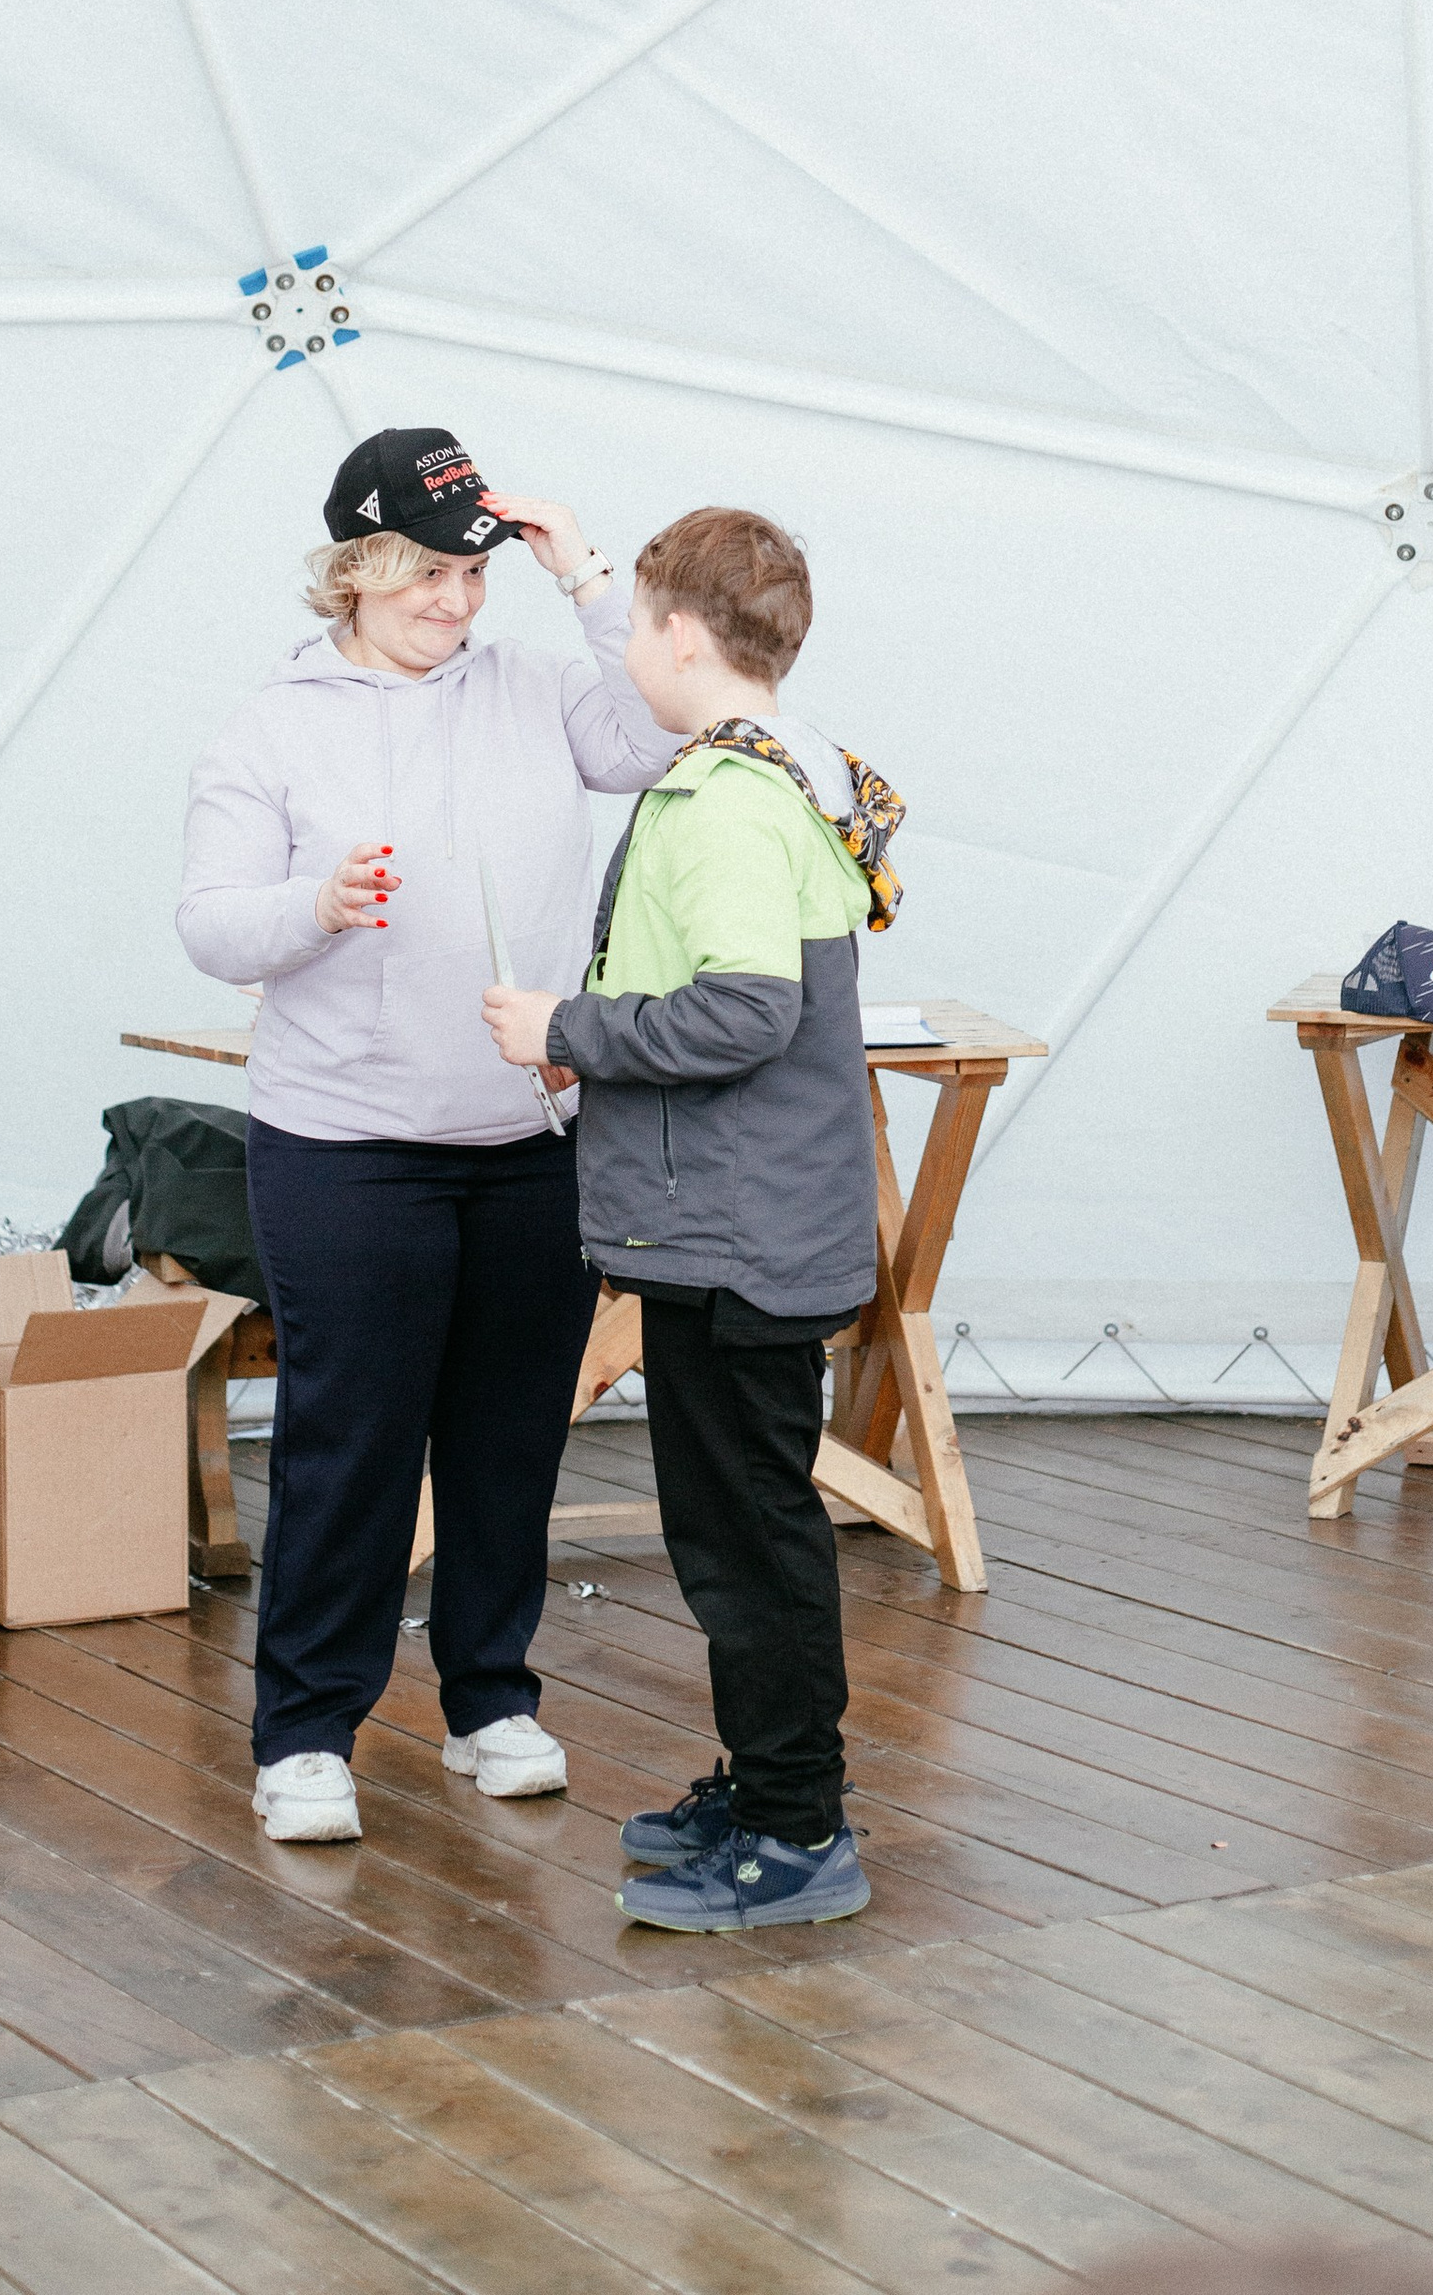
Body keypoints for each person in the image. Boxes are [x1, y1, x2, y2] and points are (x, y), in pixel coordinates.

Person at [177, 423, 675, 1846]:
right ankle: (305, 1735)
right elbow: (212, 926)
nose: (456, 607)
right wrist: (317, 906)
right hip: (346, 1145)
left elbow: (656, 733)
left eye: (474, 576)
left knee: (509, 1437)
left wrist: (582, 569)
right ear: (352, 575)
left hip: (530, 1136)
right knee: (353, 1439)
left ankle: (491, 1704)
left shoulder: (535, 687)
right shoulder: (271, 728)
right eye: (424, 583)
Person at [481, 504, 904, 1931]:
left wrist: (568, 1023)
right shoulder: (779, 770)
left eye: (635, 630)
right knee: (734, 1527)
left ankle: (799, 1827)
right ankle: (769, 1782)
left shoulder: (719, 801)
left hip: (734, 1230)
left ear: (673, 637)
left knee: (748, 1542)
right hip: (737, 1223)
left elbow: (744, 1008)